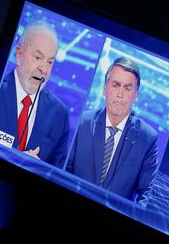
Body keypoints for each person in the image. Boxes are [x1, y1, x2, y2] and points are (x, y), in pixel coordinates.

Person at [65, 57, 159, 205]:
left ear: (136, 95)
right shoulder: (83, 122)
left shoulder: (147, 138)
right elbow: (65, 171)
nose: (120, 94)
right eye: (115, 85)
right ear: (104, 88)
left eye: (127, 88)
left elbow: (147, 192)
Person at [0, 21, 70, 167]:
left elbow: (56, 176)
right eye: (38, 58)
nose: (43, 69)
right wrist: (14, 159)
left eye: (50, 62)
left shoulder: (60, 114)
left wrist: (39, 171)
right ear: (19, 55)